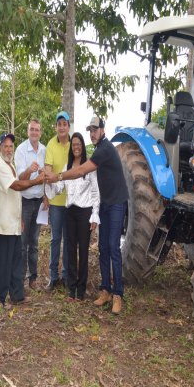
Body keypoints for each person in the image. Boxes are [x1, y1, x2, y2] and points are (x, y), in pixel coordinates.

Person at [45, 116, 128, 314]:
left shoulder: (106, 148)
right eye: (90, 130)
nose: (92, 133)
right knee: (102, 247)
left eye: (95, 130)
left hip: (116, 202)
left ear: (102, 130)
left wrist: (59, 175)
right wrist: (51, 184)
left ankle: (118, 295)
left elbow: (82, 170)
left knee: (113, 247)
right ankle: (105, 290)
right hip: (105, 204)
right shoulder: (99, 149)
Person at [0, 133, 44, 308]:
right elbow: (16, 186)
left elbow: (16, 195)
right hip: (4, 225)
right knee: (3, 263)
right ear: (0, 147)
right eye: (5, 146)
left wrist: (21, 217)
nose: (8, 149)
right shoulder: (0, 166)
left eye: (10, 146)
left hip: (14, 223)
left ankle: (16, 295)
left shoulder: (11, 165)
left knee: (16, 261)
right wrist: (36, 181)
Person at [46, 132, 100, 301]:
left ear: (82, 146)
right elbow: (58, 188)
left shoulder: (89, 166)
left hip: (85, 212)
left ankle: (81, 290)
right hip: (69, 211)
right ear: (71, 147)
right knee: (70, 249)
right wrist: (49, 184)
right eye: (74, 144)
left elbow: (95, 191)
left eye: (79, 144)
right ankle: (71, 289)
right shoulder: (66, 167)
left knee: (83, 250)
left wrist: (95, 214)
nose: (76, 147)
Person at [14, 119, 47, 290]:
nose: (34, 132)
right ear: (28, 132)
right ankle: (19, 278)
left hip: (39, 201)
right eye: (32, 129)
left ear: (40, 133)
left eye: (37, 130)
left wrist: (46, 196)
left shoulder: (44, 150)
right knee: (22, 241)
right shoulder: (20, 150)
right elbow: (20, 179)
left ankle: (33, 278)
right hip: (25, 201)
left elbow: (46, 177)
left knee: (34, 241)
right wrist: (30, 170)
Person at [44, 111, 71, 291]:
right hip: (56, 201)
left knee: (68, 240)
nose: (62, 127)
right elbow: (47, 172)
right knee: (55, 239)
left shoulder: (74, 142)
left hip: (71, 201)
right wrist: (46, 196)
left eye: (65, 124)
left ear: (69, 126)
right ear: (56, 127)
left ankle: (66, 275)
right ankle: (53, 277)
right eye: (59, 124)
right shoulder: (51, 144)